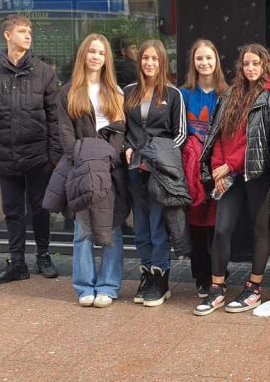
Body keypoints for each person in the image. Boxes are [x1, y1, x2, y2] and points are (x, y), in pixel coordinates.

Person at [197, 44, 270, 315]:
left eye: (255, 64)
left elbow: (268, 145)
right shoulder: (229, 97)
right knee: (222, 230)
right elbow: (217, 135)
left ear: (264, 66)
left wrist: (229, 166)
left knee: (259, 230)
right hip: (229, 175)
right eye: (246, 63)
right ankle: (217, 288)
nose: (250, 68)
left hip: (257, 175)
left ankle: (254, 289)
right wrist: (218, 168)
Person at [0, 14, 62, 284]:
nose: (28, 36)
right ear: (7, 35)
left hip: (39, 154)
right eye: (22, 31)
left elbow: (54, 117)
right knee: (12, 211)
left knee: (40, 208)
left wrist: (54, 155)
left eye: (29, 31)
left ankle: (43, 255)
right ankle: (17, 262)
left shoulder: (44, 72)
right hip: (6, 154)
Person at [57, 34, 128, 307]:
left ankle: (108, 286)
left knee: (112, 227)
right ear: (83, 55)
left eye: (101, 53)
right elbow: (65, 134)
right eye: (91, 51)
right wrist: (82, 158)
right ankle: (85, 286)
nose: (96, 57)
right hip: (81, 168)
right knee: (83, 229)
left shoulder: (116, 91)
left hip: (109, 169)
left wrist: (108, 159)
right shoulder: (68, 91)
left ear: (106, 58)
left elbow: (120, 131)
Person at [124, 39, 186, 307]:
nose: (149, 63)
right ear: (139, 61)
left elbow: (180, 134)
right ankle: (147, 275)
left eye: (155, 59)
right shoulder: (128, 91)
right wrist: (126, 147)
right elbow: (122, 128)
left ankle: (161, 278)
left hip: (159, 170)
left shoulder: (173, 94)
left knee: (158, 226)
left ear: (162, 62)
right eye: (145, 58)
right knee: (141, 227)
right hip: (134, 169)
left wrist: (157, 156)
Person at [179, 39, 227, 300]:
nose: (204, 62)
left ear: (216, 60)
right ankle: (201, 278)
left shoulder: (227, 94)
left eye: (209, 57)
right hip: (191, 169)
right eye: (200, 58)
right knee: (196, 226)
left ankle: (219, 276)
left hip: (219, 168)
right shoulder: (183, 94)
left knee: (219, 227)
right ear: (193, 62)